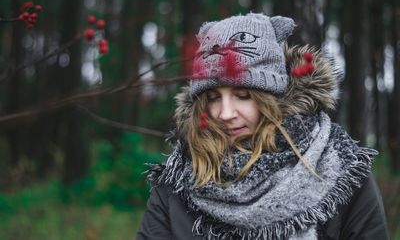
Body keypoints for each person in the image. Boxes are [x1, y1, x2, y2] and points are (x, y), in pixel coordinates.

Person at [136, 13, 389, 240]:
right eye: (213, 98)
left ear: (272, 97)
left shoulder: (336, 167)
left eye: (243, 95)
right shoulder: (179, 181)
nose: (225, 114)